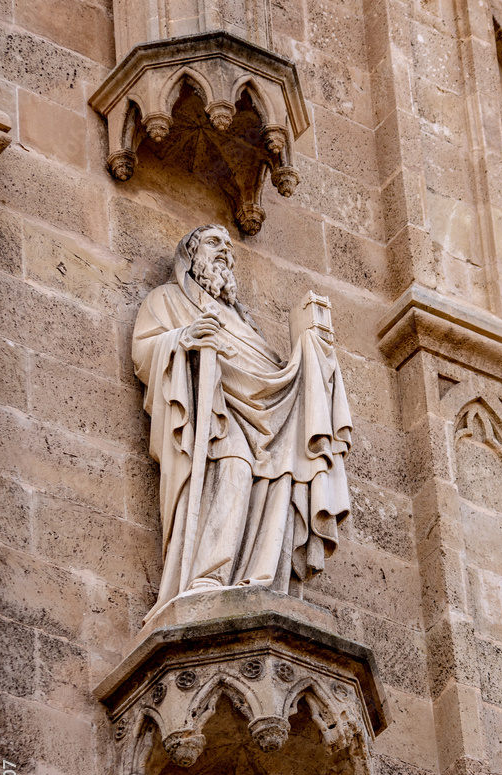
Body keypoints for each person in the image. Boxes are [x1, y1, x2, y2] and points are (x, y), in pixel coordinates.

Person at [132, 223, 352, 622]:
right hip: (215, 419)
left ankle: (262, 578)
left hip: (264, 419)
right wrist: (184, 338)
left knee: (279, 480)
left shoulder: (244, 320)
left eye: (229, 247)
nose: (225, 253)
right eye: (215, 243)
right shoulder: (168, 301)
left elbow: (266, 370)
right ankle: (207, 577)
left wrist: (309, 361)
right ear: (192, 252)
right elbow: (145, 350)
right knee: (233, 466)